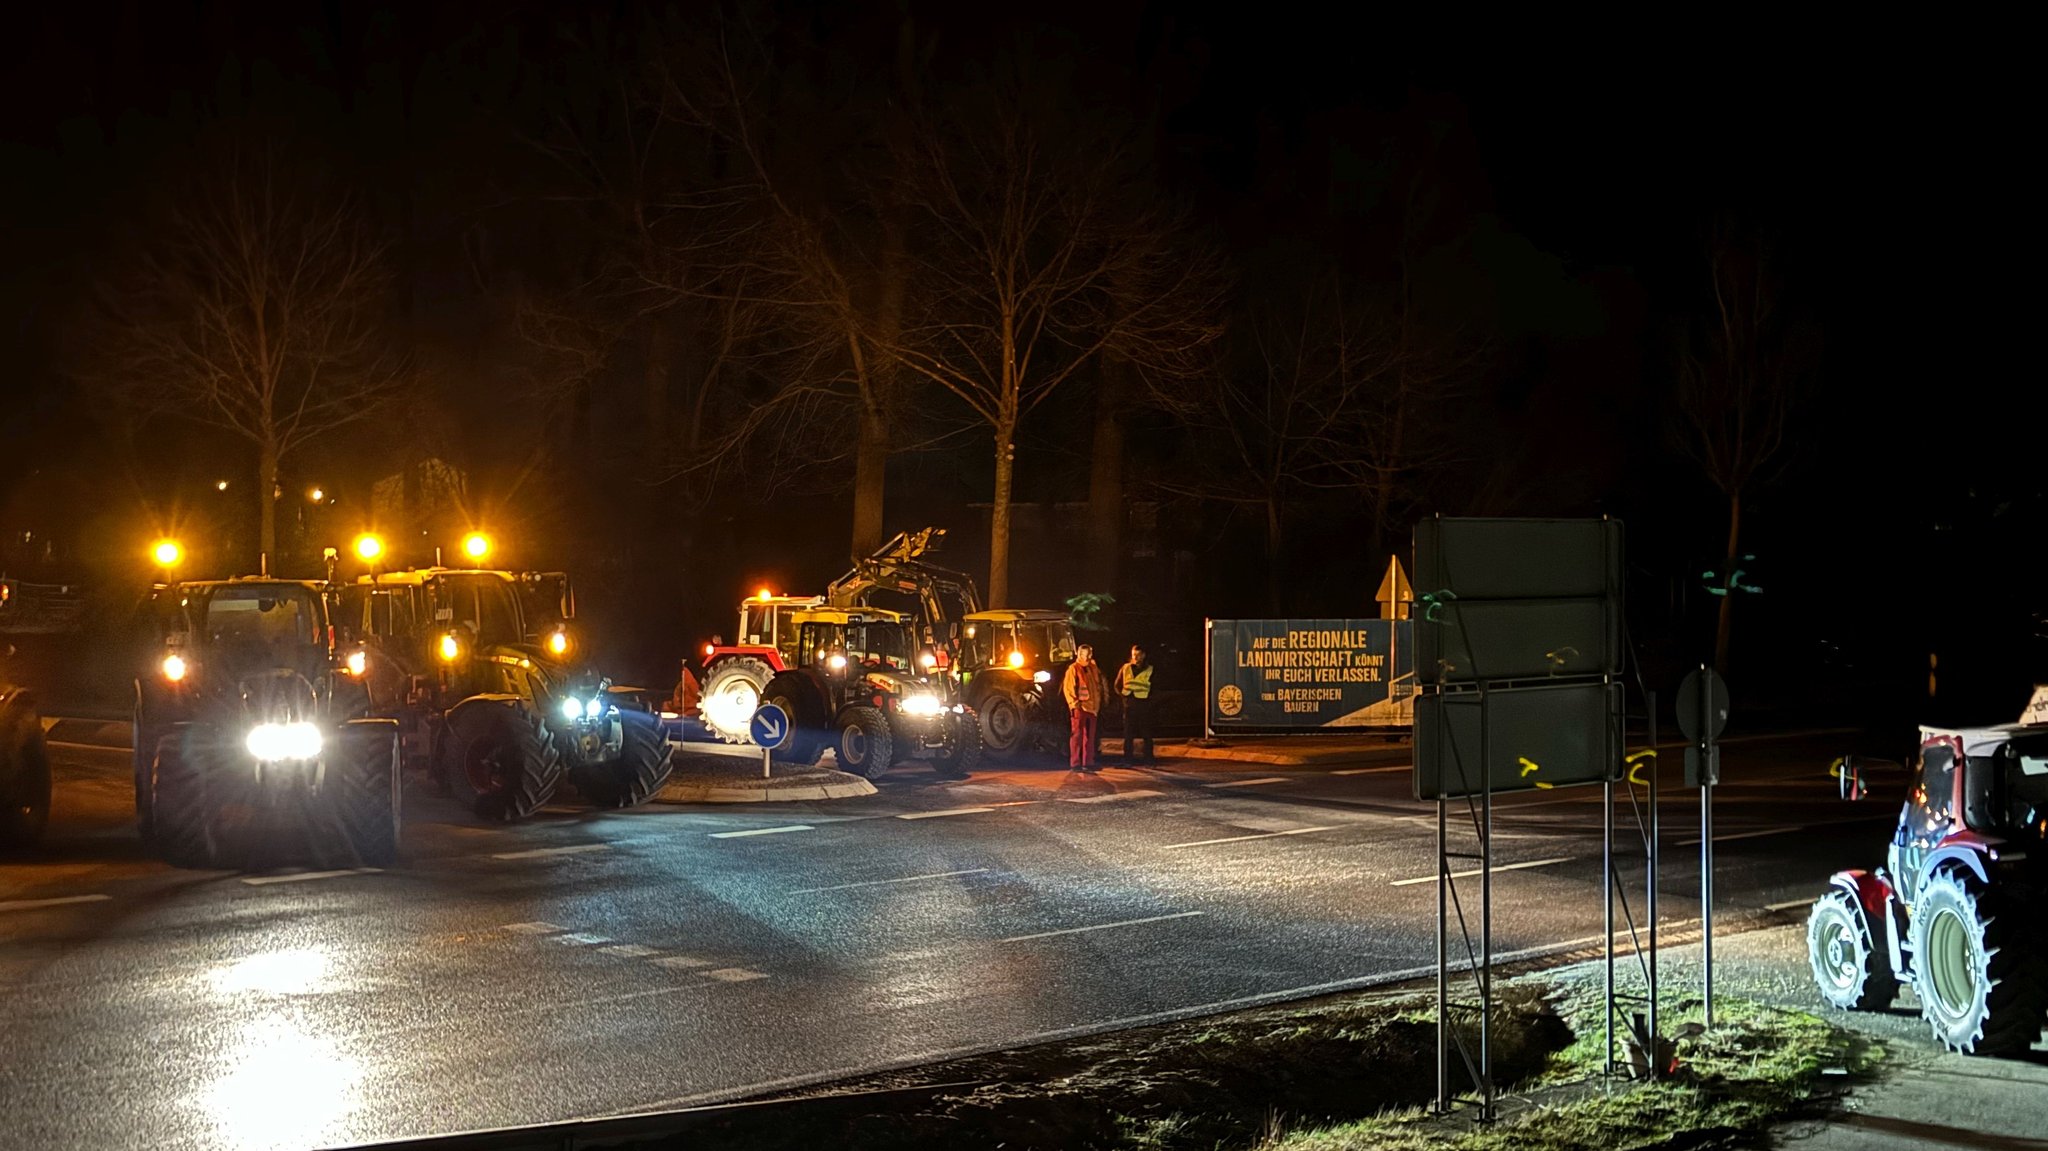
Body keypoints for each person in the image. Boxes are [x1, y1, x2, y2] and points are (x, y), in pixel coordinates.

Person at [1062, 643, 1106, 772]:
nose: (1085, 657)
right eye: (1083, 654)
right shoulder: (1073, 668)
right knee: (1077, 736)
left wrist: (1097, 705)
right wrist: (1074, 704)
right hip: (1080, 707)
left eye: (1087, 654)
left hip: (1092, 708)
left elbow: (1097, 687)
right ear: (1079, 654)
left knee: (1090, 736)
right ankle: (1075, 763)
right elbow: (1068, 688)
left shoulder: (1093, 668)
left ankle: (1088, 762)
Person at [1116, 644, 1156, 764]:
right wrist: (1124, 698)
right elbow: (1117, 685)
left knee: (1146, 733)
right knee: (1128, 734)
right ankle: (1128, 759)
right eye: (1134, 655)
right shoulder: (1125, 668)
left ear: (1143, 655)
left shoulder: (1150, 669)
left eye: (1138, 655)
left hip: (1144, 704)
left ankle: (1148, 758)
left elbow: (1155, 687)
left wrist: (1150, 700)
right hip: (1129, 704)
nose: (1136, 657)